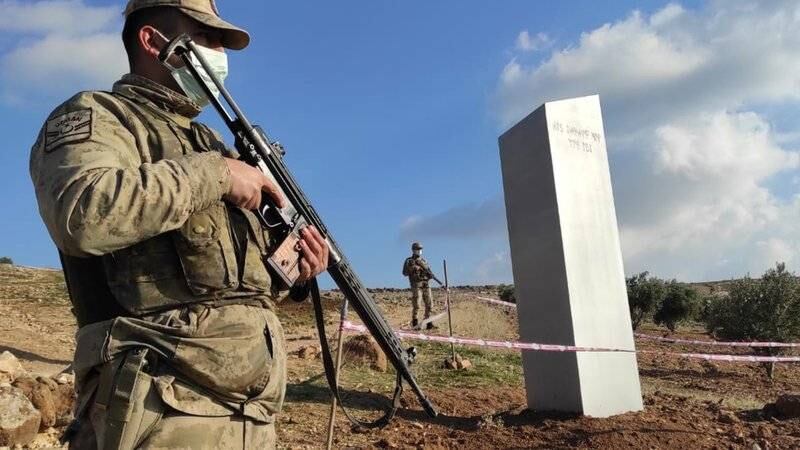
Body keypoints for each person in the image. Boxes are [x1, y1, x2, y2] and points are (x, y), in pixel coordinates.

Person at [28, 1, 329, 448]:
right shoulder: (100, 115)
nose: (219, 54)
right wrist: (216, 175)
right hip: (157, 406)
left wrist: (296, 272)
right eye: (207, 38)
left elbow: (236, 286)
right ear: (152, 41)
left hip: (251, 414)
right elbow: (81, 215)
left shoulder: (210, 143)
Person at [401, 242, 439, 330]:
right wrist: (413, 268)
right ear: (413, 250)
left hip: (426, 284)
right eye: (417, 249)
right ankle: (415, 323)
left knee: (429, 304)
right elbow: (404, 273)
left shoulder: (424, 261)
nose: (419, 251)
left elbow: (429, 272)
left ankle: (429, 323)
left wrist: (430, 275)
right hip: (416, 285)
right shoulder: (409, 261)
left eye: (420, 249)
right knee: (417, 304)